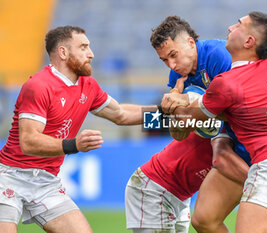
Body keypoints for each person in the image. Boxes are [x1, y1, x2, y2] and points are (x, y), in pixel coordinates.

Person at [161, 11, 267, 233]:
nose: (230, 28)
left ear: (249, 41)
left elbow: (190, 120)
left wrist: (177, 101)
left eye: (239, 25)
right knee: (204, 219)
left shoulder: (227, 83)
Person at [0, 26, 157, 233]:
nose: (90, 54)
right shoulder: (38, 86)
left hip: (46, 181)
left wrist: (167, 113)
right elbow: (28, 141)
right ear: (63, 52)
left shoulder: (88, 85)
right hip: (10, 177)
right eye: (83, 47)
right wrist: (74, 145)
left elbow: (120, 114)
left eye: (89, 47)